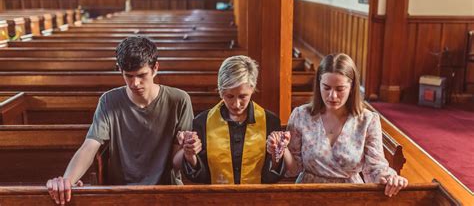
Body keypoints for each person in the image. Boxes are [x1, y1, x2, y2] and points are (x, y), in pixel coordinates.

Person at [46, 36, 194, 204]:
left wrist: (189, 149)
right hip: (121, 192)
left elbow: (175, 162)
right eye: (128, 76)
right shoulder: (109, 101)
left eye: (141, 75)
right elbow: (90, 145)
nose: (135, 83)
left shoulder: (179, 100)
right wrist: (67, 181)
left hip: (166, 192)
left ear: (155, 68)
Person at [267, 53, 408, 197]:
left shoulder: (367, 120)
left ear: (352, 87)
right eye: (326, 88)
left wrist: (392, 178)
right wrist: (281, 149)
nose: (332, 96)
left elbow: (375, 168)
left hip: (350, 195)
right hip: (309, 194)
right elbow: (294, 169)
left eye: (340, 89)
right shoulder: (301, 115)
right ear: (318, 84)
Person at [177, 55, 285, 184]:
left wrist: (275, 155)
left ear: (252, 88)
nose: (236, 104)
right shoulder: (203, 122)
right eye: (229, 96)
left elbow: (271, 178)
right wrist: (190, 156)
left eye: (243, 96)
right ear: (221, 91)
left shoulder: (269, 121)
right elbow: (202, 178)